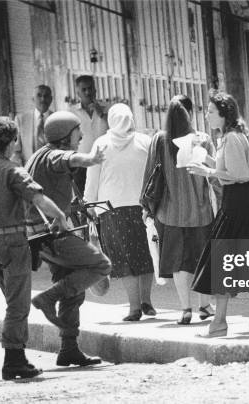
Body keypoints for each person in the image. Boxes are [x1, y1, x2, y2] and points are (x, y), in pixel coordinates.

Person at [0, 116, 66, 380]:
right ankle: (14, 360)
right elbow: (39, 199)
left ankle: (16, 356)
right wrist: (60, 217)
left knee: (12, 302)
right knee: (18, 305)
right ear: (11, 142)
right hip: (12, 242)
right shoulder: (12, 170)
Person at [26, 111, 111, 366]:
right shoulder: (54, 155)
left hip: (40, 237)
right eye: (77, 132)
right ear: (65, 136)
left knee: (73, 289)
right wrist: (91, 159)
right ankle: (47, 298)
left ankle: (68, 349)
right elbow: (68, 159)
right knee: (100, 265)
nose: (81, 136)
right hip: (53, 235)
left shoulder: (37, 155)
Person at [188, 90, 249, 337]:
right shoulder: (227, 137)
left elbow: (241, 175)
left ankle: (220, 323)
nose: (207, 115)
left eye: (211, 111)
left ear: (224, 114)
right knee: (243, 263)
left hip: (240, 205)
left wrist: (208, 172)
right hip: (236, 202)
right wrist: (208, 162)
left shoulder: (233, 138)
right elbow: (229, 169)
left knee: (225, 260)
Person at [141, 95, 214, 325]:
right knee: (202, 259)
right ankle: (205, 305)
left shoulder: (159, 141)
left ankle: (185, 309)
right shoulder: (202, 140)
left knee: (179, 264)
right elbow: (214, 177)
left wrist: (147, 206)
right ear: (190, 113)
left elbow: (150, 175)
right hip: (201, 213)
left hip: (171, 213)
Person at [85, 104, 155, 321]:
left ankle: (134, 307)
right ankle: (146, 301)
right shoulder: (145, 142)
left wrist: (89, 208)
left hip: (111, 210)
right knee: (147, 254)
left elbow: (92, 181)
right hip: (143, 208)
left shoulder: (101, 144)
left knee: (125, 258)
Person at [68, 76, 109, 193]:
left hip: (104, 162)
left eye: (90, 88)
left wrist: (101, 113)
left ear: (95, 90)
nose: (88, 92)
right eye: (84, 89)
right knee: (83, 199)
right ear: (78, 93)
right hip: (81, 164)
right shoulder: (71, 113)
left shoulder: (107, 108)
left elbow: (115, 128)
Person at [11, 84, 55, 166]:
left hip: (53, 170)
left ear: (51, 99)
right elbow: (16, 150)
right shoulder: (21, 120)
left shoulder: (58, 118)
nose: (43, 99)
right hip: (29, 169)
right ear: (33, 99)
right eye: (39, 95)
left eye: (46, 96)